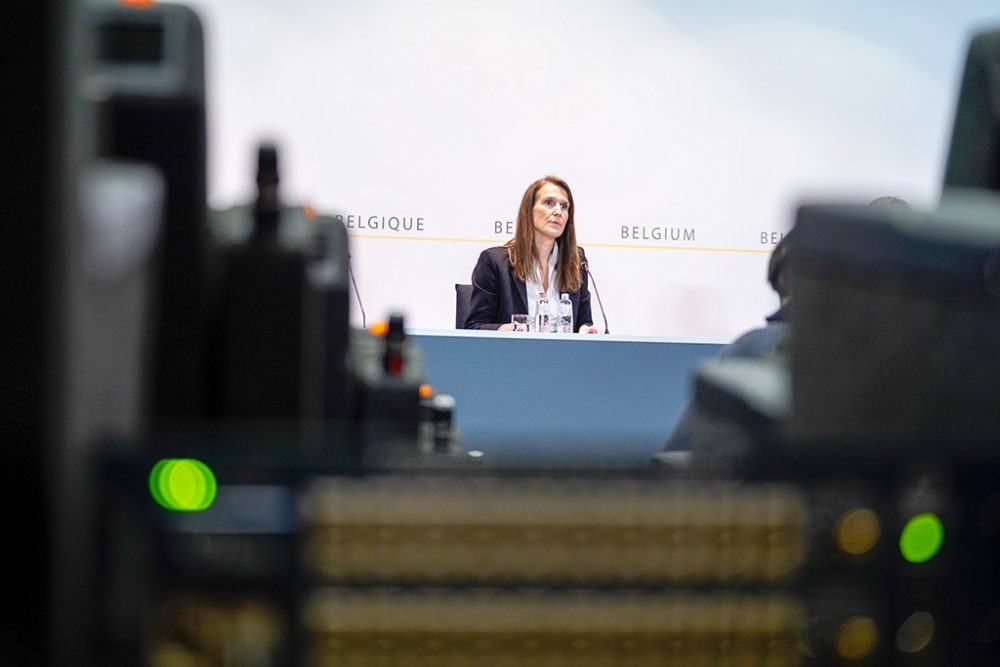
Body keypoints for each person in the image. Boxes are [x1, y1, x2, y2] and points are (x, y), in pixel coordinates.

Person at [464, 175, 600, 333]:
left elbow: (584, 321)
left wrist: (586, 330)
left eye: (564, 206)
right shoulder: (495, 262)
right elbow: (474, 327)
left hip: (563, 355)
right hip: (513, 355)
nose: (558, 211)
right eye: (549, 203)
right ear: (528, 210)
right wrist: (505, 329)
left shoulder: (576, 261)